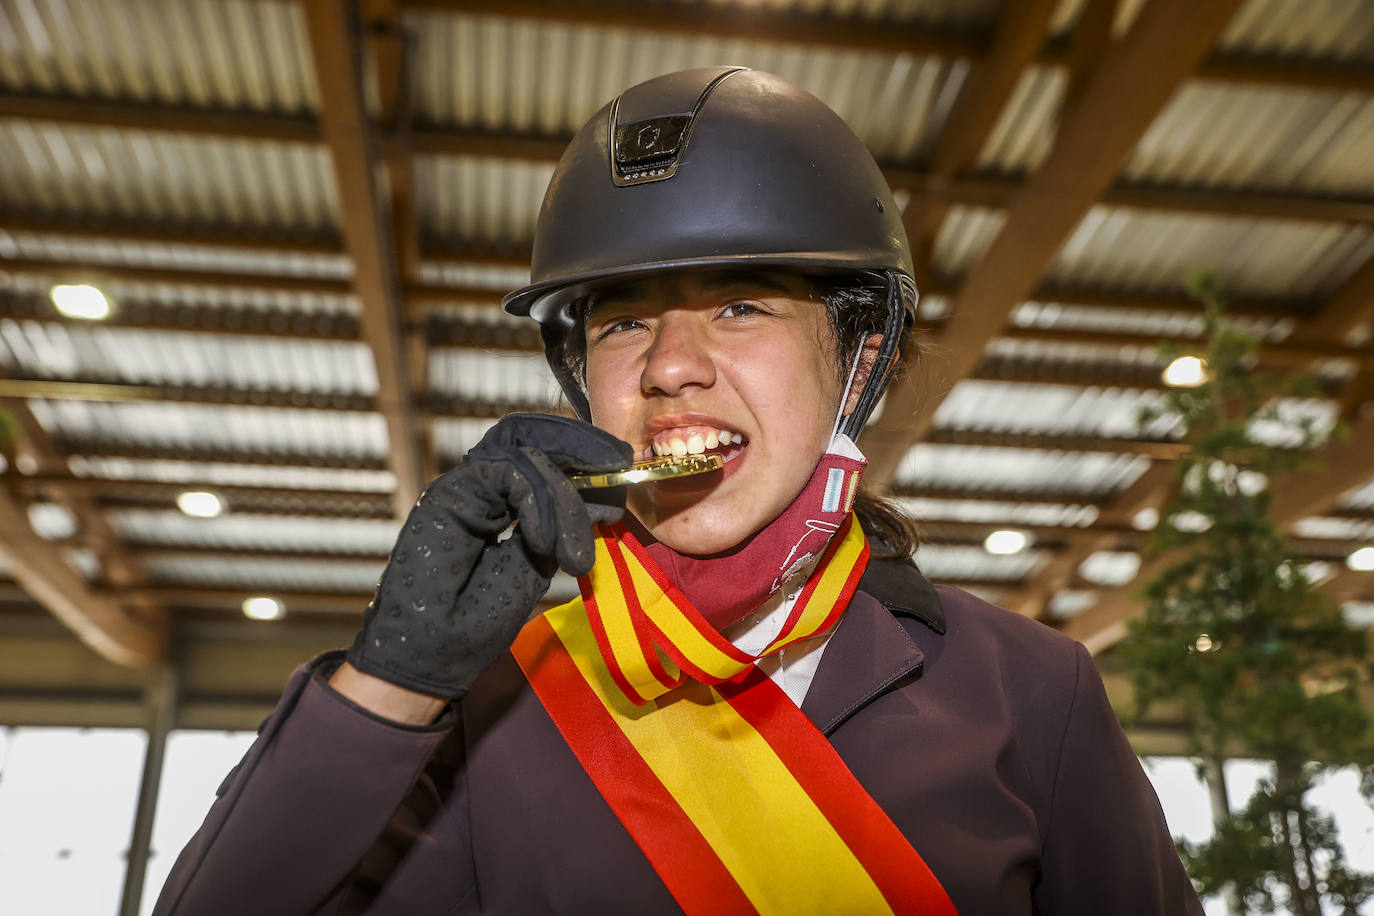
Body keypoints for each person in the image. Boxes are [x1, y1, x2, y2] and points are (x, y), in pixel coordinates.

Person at [153, 68, 1203, 915]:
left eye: (740, 305)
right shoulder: (495, 703)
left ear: (859, 356)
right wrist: (389, 683)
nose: (668, 365)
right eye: (622, 322)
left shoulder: (1032, 690)